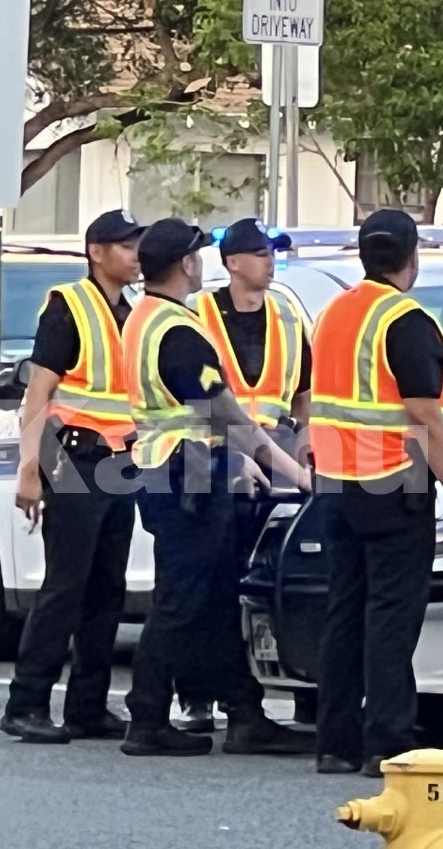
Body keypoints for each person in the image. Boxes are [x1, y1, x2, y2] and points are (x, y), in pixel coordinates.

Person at [118, 217, 319, 757]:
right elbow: (227, 416)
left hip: (177, 469)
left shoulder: (146, 318)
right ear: (187, 264)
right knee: (182, 602)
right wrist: (296, 473)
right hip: (187, 475)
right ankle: (148, 718)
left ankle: (243, 712)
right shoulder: (178, 332)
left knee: (210, 599)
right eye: (197, 254)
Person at [312, 210, 443, 776]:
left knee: (345, 611)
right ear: (412, 257)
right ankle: (386, 741)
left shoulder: (332, 314)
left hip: (335, 483)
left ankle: (334, 742)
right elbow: (426, 415)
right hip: (394, 483)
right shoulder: (406, 321)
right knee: (391, 616)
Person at [0, 209, 143, 745]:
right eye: (125, 245)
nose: (135, 255)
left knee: (108, 588)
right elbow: (38, 393)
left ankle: (88, 706)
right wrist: (29, 470)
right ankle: (26, 703)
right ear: (96, 252)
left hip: (118, 462)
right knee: (66, 584)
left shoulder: (132, 311)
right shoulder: (69, 306)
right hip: (73, 459)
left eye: (137, 245)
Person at [174, 217, 313, 735]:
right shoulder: (198, 314)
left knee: (264, 587)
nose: (269, 261)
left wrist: (304, 438)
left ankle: (264, 697)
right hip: (215, 461)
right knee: (208, 588)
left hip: (276, 462)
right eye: (259, 253)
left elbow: (303, 391)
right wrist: (239, 454)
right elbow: (195, 399)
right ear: (232, 262)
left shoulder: (287, 317)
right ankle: (197, 697)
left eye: (273, 252)